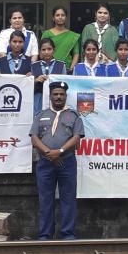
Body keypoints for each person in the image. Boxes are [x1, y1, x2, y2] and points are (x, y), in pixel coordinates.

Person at [32, 81, 84, 240]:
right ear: (51, 96)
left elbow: (76, 138)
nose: (59, 97)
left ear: (66, 96)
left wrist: (59, 152)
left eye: (61, 94)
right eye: (55, 94)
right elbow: (34, 138)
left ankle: (68, 234)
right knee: (45, 200)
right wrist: (49, 153)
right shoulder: (41, 115)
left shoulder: (74, 115)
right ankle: (45, 235)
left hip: (66, 162)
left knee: (68, 199)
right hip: (45, 163)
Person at [32, 38, 67, 112]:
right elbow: (29, 87)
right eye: (43, 50)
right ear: (40, 51)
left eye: (49, 49)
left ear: (54, 50)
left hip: (56, 100)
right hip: (38, 100)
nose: (46, 52)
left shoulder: (61, 65)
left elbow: (65, 84)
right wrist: (36, 80)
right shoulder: (34, 66)